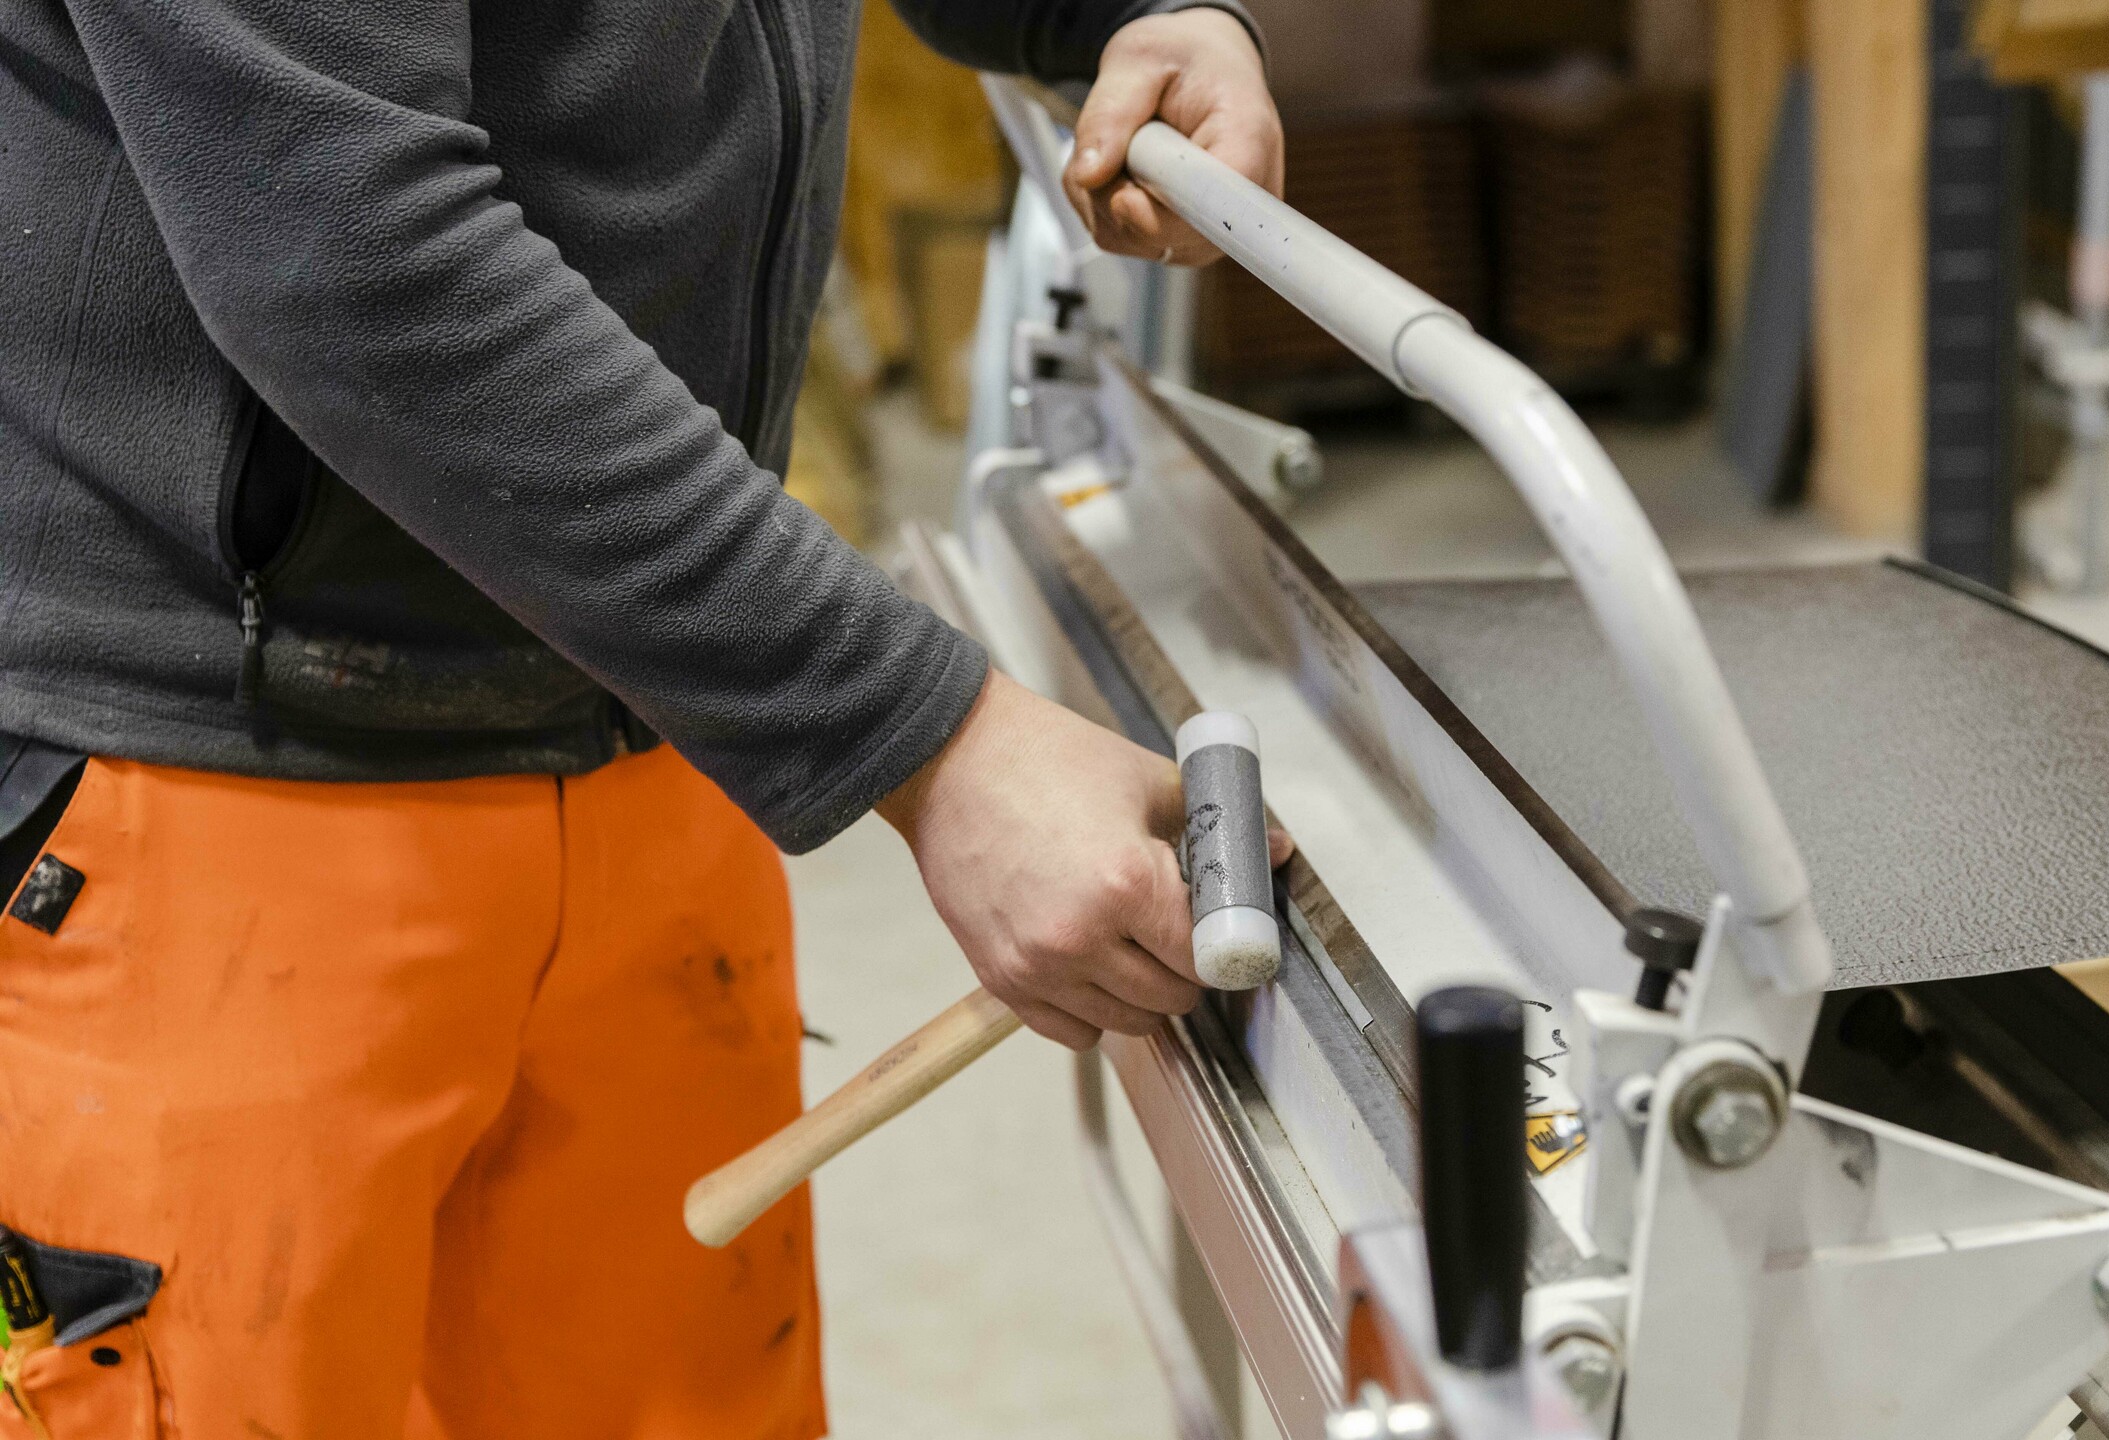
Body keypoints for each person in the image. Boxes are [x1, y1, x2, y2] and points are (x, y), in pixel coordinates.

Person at [0, 0, 1284, 1433]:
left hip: (643, 692)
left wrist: (1119, 19)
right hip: (213, 783)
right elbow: (349, 244)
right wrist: (932, 737)